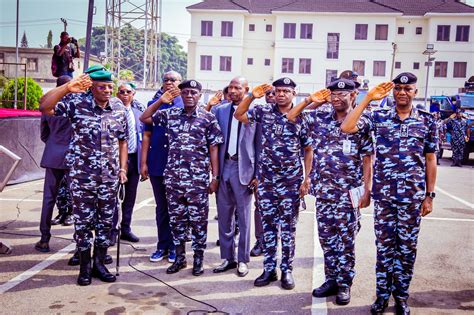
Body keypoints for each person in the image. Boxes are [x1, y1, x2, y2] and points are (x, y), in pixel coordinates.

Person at [341, 72, 438, 314]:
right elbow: (347, 126)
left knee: (406, 250)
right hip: (384, 197)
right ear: (393, 91)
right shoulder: (379, 117)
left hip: (412, 199)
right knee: (384, 249)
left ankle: (401, 297)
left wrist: (430, 195)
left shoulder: (427, 120)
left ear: (415, 92)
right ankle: (382, 296)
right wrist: (367, 99)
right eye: (398, 88)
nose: (402, 92)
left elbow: (430, 159)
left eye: (408, 89)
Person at [288, 79, 373, 305]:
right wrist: (311, 101)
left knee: (345, 241)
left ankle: (345, 283)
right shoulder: (321, 118)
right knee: (327, 239)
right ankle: (332, 279)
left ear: (353, 95)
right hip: (324, 192)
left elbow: (368, 158)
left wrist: (367, 188)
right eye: (333, 94)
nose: (336, 98)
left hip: (348, 193)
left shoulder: (362, 121)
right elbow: (292, 116)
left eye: (342, 94)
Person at [39, 70, 128, 286]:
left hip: (108, 177)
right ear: (91, 87)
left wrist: (123, 168)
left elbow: (123, 140)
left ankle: (99, 264)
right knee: (83, 223)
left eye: (109, 86)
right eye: (101, 87)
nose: (107, 91)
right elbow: (45, 106)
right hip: (82, 176)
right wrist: (67, 88)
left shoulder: (118, 108)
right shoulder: (76, 103)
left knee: (106, 222)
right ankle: (85, 267)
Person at [234, 77, 313, 290]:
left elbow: (308, 149)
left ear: (294, 94)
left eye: (286, 91)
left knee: (287, 229)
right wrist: (251, 96)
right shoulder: (263, 112)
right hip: (266, 182)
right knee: (268, 227)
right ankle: (269, 268)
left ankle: (287, 269)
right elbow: (239, 114)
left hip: (291, 183)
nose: (281, 94)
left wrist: (307, 179)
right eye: (278, 90)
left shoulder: (302, 118)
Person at [140, 79, 223, 276]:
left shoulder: (207, 118)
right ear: (180, 94)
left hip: (197, 179)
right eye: (185, 92)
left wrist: (215, 176)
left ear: (199, 95)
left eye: (193, 92)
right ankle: (179, 258)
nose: (189, 96)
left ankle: (198, 259)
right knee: (176, 220)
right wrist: (162, 100)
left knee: (198, 220)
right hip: (174, 179)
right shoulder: (170, 114)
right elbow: (145, 118)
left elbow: (214, 148)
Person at [211, 77, 259, 277]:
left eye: (237, 87)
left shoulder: (256, 112)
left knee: (244, 217)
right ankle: (227, 258)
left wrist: (257, 174)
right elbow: (211, 141)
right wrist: (214, 173)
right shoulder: (220, 111)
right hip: (224, 167)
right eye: (230, 87)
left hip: (244, 168)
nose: (232, 90)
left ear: (246, 90)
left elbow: (260, 144)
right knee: (224, 215)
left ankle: (242, 260)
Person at [141, 71, 183, 263]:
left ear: (180, 83)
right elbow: (147, 133)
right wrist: (144, 162)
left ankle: (175, 247)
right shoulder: (153, 104)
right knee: (162, 208)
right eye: (166, 80)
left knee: (177, 208)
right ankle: (162, 245)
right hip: (158, 162)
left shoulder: (187, 103)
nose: (169, 83)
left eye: (173, 80)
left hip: (179, 165)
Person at [35, 75, 74, 253]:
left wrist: (54, 144)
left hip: (53, 155)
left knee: (48, 199)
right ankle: (78, 242)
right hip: (73, 156)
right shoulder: (76, 105)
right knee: (79, 199)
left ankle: (44, 238)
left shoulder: (49, 105)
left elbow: (44, 134)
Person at [110, 83, 145, 244]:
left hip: (134, 158)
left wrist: (144, 163)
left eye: (128, 92)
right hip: (116, 160)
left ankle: (126, 228)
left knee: (130, 198)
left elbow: (144, 138)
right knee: (113, 197)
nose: (125, 94)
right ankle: (112, 230)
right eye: (121, 92)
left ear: (134, 94)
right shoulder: (112, 112)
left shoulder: (138, 112)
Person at [250, 87, 275, 257]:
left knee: (283, 211)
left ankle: (275, 241)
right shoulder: (259, 116)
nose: (272, 96)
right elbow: (253, 148)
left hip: (285, 175)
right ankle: (261, 241)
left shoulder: (293, 115)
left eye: (275, 93)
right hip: (262, 172)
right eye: (269, 94)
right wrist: (255, 174)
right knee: (260, 208)